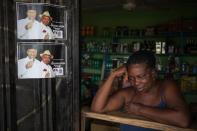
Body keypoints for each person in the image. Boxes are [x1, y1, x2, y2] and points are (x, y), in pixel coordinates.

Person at [91, 50, 191, 130]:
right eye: (131, 78)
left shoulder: (166, 87)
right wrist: (113, 75)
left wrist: (139, 109)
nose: (136, 82)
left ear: (153, 73)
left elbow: (183, 120)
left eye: (141, 76)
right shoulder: (129, 93)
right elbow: (97, 109)